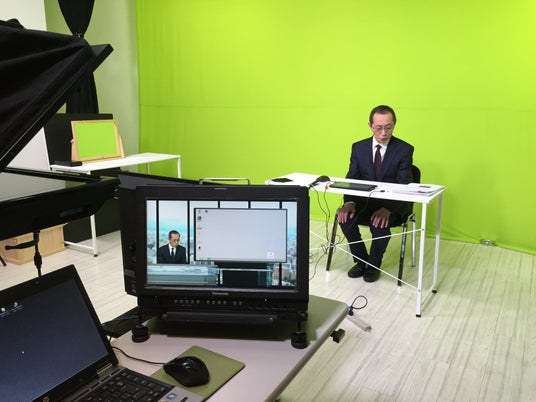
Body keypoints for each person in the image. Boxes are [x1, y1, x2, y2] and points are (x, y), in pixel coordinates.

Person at [337, 105, 414, 282]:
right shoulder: (359, 147)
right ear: (370, 125)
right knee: (344, 218)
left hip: (393, 205)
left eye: (389, 127)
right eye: (378, 128)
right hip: (364, 203)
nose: (384, 133)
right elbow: (352, 179)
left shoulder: (404, 150)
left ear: (394, 124)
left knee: (379, 224)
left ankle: (373, 265)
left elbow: (404, 185)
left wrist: (387, 209)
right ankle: (361, 261)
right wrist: (349, 203)